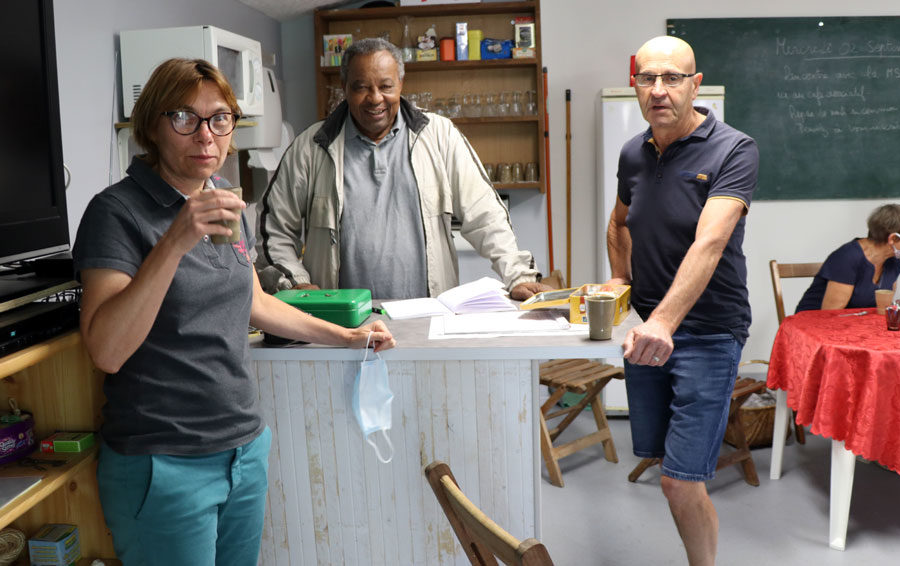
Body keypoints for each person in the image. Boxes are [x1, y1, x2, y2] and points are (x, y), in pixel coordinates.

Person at [72, 58, 396, 565]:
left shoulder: (221, 195)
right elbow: (107, 351)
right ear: (152, 127)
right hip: (163, 461)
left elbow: (256, 302)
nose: (206, 135)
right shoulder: (115, 212)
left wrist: (347, 336)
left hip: (243, 449)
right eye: (185, 117)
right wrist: (176, 241)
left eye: (219, 118)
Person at [606, 36, 758, 566]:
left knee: (678, 479)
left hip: (708, 332)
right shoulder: (633, 153)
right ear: (635, 86)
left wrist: (664, 323)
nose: (658, 89)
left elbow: (710, 241)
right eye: (647, 78)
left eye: (672, 78)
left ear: (696, 85)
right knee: (655, 456)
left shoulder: (733, 149)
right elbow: (620, 223)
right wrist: (621, 287)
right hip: (649, 325)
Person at [254, 38, 547, 300]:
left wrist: (518, 275)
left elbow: (486, 215)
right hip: (342, 325)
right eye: (361, 87)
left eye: (385, 86)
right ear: (344, 89)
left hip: (428, 315)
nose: (375, 98)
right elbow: (274, 230)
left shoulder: (439, 135)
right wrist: (295, 282)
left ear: (401, 86)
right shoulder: (312, 146)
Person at [795, 204, 900, 312]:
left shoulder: (893, 259)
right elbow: (830, 315)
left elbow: (881, 309)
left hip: (856, 326)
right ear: (892, 238)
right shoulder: (847, 257)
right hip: (815, 326)